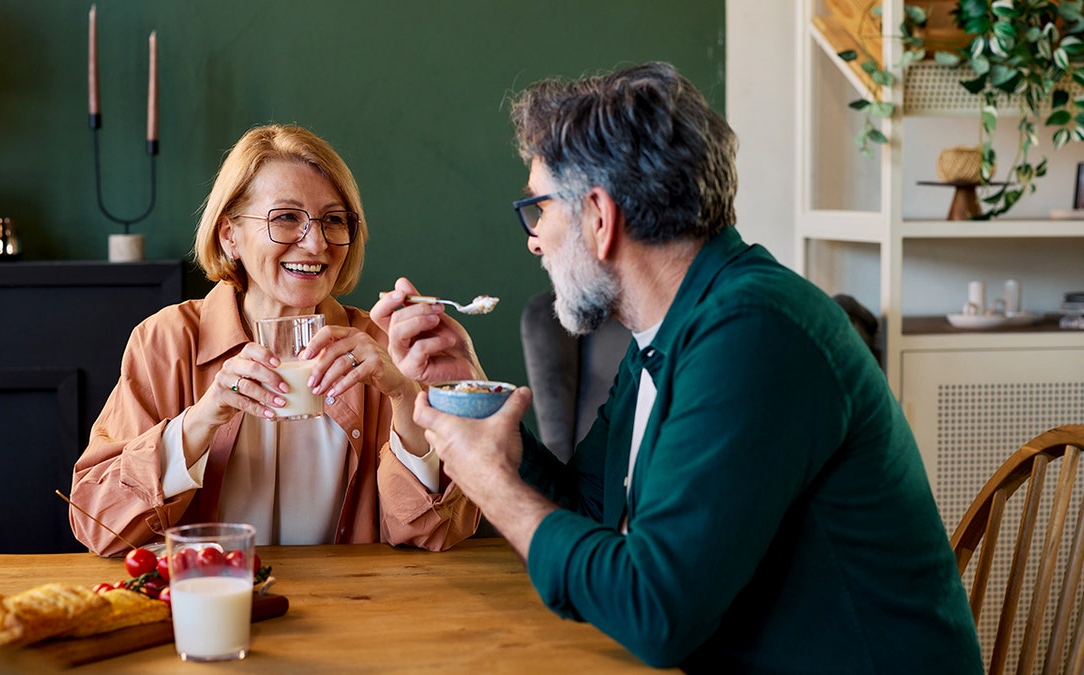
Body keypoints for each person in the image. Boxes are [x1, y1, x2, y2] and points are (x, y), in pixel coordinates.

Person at [373, 63, 983, 672]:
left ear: (598, 217)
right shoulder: (666, 335)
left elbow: (656, 613)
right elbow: (591, 509)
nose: (533, 240)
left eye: (539, 209)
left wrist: (490, 485)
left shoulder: (757, 332)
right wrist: (476, 402)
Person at [71, 124, 479, 557]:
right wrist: (203, 419)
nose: (316, 242)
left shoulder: (385, 348)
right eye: (286, 217)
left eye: (333, 219)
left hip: (357, 610)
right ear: (230, 235)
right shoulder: (167, 340)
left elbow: (437, 534)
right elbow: (98, 524)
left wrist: (404, 395)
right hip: (215, 604)